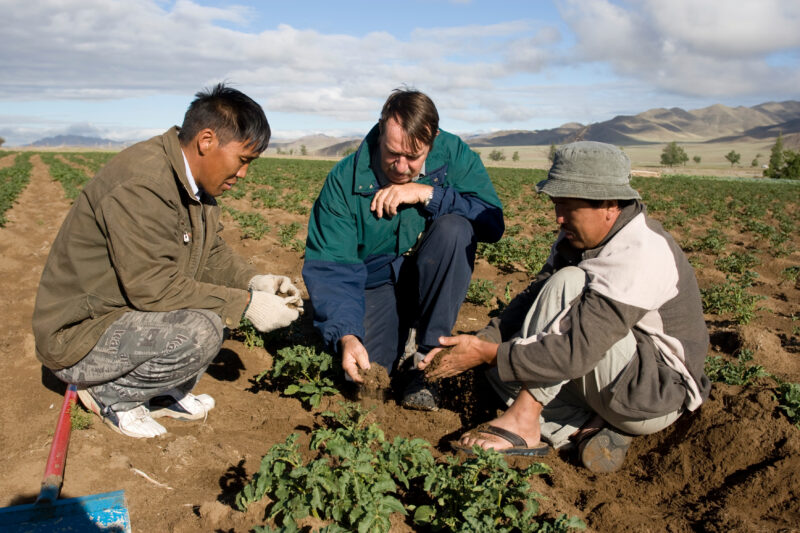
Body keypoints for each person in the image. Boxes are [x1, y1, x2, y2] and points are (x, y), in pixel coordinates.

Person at [420, 141, 711, 472]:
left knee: (567, 286)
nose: (558, 218)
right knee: (500, 370)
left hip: (651, 392)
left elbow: (575, 349)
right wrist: (484, 343)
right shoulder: (580, 238)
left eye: (568, 207)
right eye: (556, 205)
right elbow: (530, 301)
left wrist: (488, 354)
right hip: (608, 374)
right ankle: (585, 426)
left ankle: (526, 421)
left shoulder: (640, 252)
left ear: (609, 205)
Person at [33, 84, 302, 438]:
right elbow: (153, 288)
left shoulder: (193, 185)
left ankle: (157, 391)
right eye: (243, 160)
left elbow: (211, 251)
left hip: (119, 314)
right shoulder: (143, 184)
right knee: (202, 329)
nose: (244, 174)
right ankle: (111, 395)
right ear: (206, 141)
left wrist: (255, 282)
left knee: (212, 313)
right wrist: (249, 304)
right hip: (79, 336)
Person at [302, 88, 504, 410]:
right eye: (392, 153)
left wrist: (428, 194)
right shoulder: (345, 179)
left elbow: (492, 223)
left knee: (455, 229)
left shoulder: (454, 154)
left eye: (413, 157)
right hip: (377, 281)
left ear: (432, 139)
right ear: (381, 130)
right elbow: (333, 267)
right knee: (368, 379)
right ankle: (395, 343)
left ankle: (426, 360)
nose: (400, 166)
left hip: (433, 273)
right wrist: (347, 334)